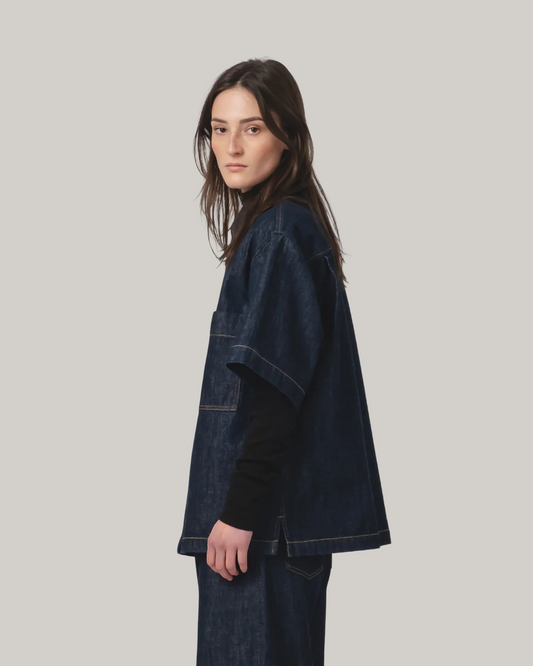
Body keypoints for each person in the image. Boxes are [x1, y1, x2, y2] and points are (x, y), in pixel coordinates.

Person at [176, 58, 392, 666]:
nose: (231, 147)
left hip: (261, 533)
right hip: (268, 530)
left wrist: (239, 513)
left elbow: (275, 389)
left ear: (288, 136)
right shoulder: (279, 229)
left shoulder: (279, 233)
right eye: (219, 129)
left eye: (253, 128)